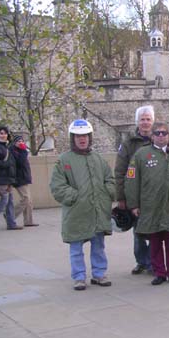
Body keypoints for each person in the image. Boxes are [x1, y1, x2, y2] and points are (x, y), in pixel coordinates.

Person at [50, 120, 115, 291]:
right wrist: (75, 197)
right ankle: (79, 277)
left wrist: (107, 192)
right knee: (76, 247)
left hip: (97, 211)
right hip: (77, 212)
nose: (82, 139)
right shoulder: (64, 160)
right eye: (78, 136)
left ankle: (99, 273)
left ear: (90, 137)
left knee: (98, 246)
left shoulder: (98, 159)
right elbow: (57, 186)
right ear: (73, 138)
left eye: (85, 135)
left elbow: (110, 179)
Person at [125, 122, 169, 285]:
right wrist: (134, 204)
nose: (161, 136)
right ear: (152, 136)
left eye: (164, 133)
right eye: (158, 133)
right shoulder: (141, 155)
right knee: (154, 241)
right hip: (150, 205)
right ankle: (159, 272)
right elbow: (132, 180)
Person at [114, 105, 153, 275]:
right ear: (137, 122)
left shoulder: (159, 139)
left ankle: (153, 261)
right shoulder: (128, 143)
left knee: (154, 231)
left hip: (154, 194)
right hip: (135, 195)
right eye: (142, 119)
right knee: (138, 231)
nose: (145, 123)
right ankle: (141, 261)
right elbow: (120, 171)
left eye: (148, 119)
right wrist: (121, 197)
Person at [0, 126, 22, 231]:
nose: (3, 135)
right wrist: (6, 164)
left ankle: (11, 223)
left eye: (5, 133)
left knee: (10, 201)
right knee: (4, 201)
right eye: (1, 133)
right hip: (1, 179)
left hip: (8, 179)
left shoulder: (5, 147)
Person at [9, 135, 38, 227]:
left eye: (22, 141)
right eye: (18, 141)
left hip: (24, 178)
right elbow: (20, 162)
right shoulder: (13, 151)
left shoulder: (20, 151)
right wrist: (24, 150)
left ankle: (28, 221)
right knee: (25, 198)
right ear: (14, 143)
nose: (20, 143)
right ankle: (10, 215)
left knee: (29, 201)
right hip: (18, 178)